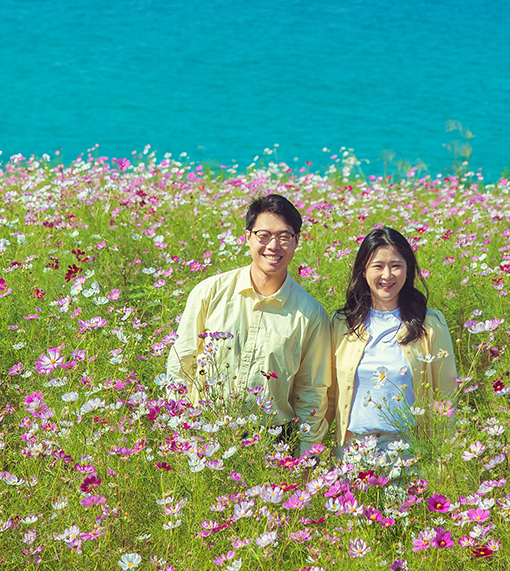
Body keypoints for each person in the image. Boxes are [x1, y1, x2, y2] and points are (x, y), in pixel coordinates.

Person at [165, 193, 332, 448]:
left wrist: (307, 457)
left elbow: (311, 392)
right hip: (206, 430)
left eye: (284, 237)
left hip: (272, 441)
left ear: (296, 241)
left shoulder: (311, 314)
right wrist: (181, 433)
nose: (273, 246)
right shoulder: (209, 293)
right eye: (263, 235)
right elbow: (180, 364)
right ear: (247, 237)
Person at [329, 225, 458, 462]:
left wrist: (443, 460)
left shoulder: (430, 324)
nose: (387, 275)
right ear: (363, 271)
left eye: (396, 266)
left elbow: (446, 396)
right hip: (352, 451)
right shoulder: (342, 323)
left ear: (408, 270)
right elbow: (325, 393)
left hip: (408, 450)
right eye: (378, 266)